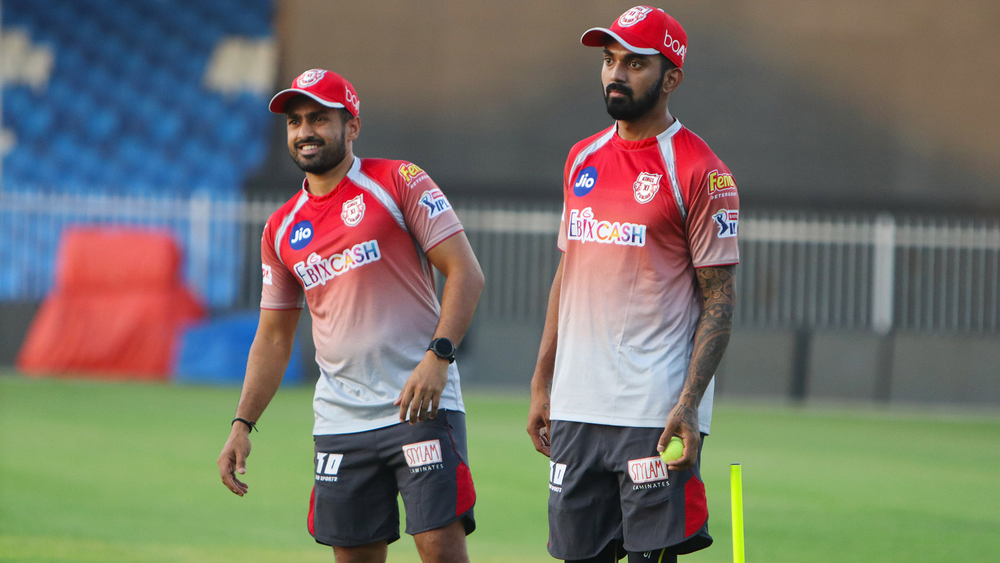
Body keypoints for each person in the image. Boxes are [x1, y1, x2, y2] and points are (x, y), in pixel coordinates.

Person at [217, 69, 484, 563]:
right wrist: (242, 424)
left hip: (418, 404)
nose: (305, 131)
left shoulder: (398, 180)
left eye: (319, 118)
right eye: (295, 121)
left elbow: (466, 273)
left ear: (352, 125)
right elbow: (273, 338)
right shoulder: (280, 228)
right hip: (340, 420)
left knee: (441, 552)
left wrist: (438, 357)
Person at [526, 7, 740, 562]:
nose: (615, 74)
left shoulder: (701, 171)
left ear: (672, 78)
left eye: (635, 63)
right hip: (577, 407)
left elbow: (719, 299)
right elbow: (567, 273)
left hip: (653, 413)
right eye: (609, 59)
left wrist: (689, 406)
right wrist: (543, 382)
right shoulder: (582, 157)